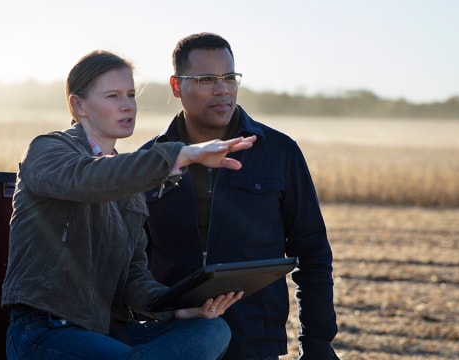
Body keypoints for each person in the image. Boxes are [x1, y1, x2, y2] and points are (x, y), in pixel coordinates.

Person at [1, 49, 257, 360]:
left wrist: (182, 310)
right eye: (113, 96)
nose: (127, 105)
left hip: (108, 332)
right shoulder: (48, 151)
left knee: (213, 331)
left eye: (131, 95)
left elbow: (135, 280)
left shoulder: (130, 186)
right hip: (45, 331)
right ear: (77, 105)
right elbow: (89, 179)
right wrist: (183, 154)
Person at [140, 33, 338, 359]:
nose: (223, 89)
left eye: (230, 77)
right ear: (176, 87)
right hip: (172, 342)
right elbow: (131, 264)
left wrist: (317, 343)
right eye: (206, 79)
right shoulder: (148, 162)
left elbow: (313, 253)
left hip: (254, 344)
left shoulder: (279, 152)